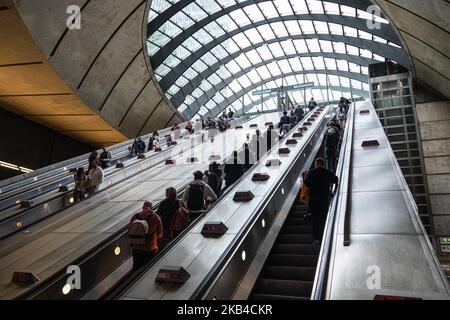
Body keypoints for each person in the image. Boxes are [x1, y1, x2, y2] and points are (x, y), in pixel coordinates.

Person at [304, 158, 338, 244]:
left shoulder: (311, 172)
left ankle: (316, 239)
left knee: (315, 220)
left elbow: (307, 184)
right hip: (323, 200)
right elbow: (335, 179)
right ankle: (325, 237)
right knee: (323, 218)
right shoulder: (326, 172)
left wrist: (305, 177)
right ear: (323, 164)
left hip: (313, 201)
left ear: (316, 164)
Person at [128, 201, 163, 272]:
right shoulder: (155, 217)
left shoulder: (135, 216)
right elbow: (160, 234)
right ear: (151, 208)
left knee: (136, 266)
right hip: (149, 248)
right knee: (147, 269)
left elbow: (129, 231)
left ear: (143, 208)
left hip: (135, 247)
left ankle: (134, 281)